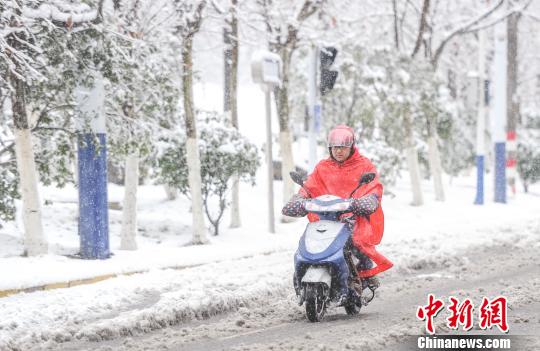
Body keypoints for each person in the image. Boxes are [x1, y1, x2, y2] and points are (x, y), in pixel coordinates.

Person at [282, 125, 393, 296]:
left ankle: (362, 275)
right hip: (326, 217)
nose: (339, 151)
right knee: (308, 241)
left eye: (343, 147)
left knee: (358, 243)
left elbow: (374, 186)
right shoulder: (323, 167)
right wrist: (300, 198)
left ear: (351, 147)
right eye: (335, 147)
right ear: (330, 148)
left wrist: (369, 200)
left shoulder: (363, 165)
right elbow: (311, 186)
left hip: (353, 217)